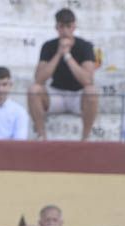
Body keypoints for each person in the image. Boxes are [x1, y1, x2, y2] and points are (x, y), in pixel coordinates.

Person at [28, 8, 100, 141]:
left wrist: (67, 56)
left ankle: (85, 139)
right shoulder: (48, 46)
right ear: (56, 27)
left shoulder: (85, 46)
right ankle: (41, 137)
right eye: (62, 26)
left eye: (69, 26)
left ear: (74, 26)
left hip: (78, 96)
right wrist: (59, 53)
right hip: (56, 95)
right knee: (34, 90)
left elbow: (88, 80)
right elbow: (39, 79)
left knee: (91, 91)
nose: (65, 31)